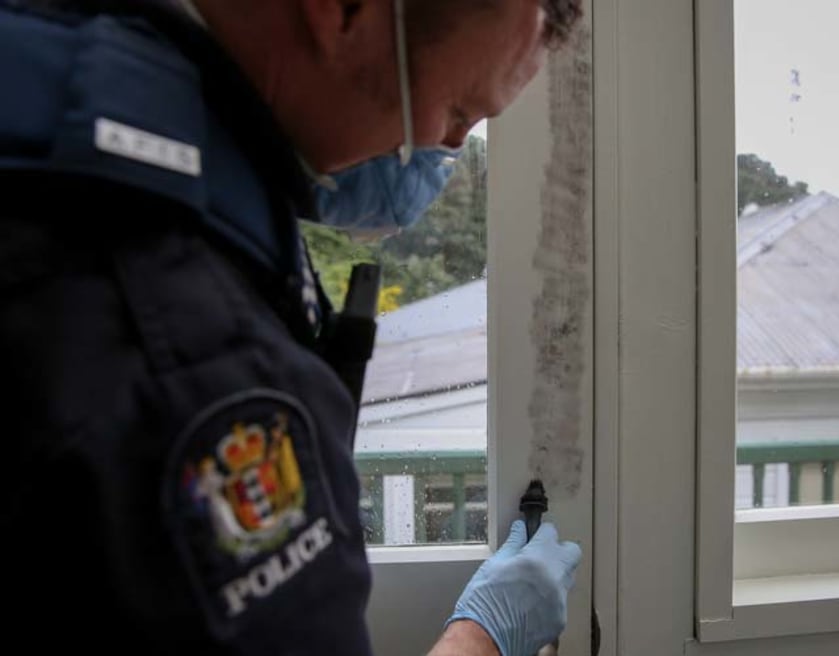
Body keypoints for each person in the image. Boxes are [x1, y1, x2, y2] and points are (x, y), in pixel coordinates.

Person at [0, 0, 583, 654]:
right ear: (340, 12)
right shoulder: (187, 360)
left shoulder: (55, 78)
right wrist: (483, 639)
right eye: (455, 112)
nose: (446, 151)